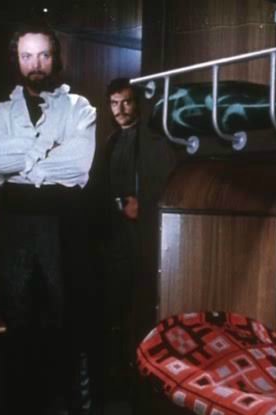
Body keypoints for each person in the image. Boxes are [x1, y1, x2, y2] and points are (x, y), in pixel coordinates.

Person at [0, 23, 106, 415]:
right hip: (16, 233)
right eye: (27, 56)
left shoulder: (80, 109)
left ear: (57, 59)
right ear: (17, 61)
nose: (36, 65)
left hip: (64, 230)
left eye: (44, 55)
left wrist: (24, 166)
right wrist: (45, 152)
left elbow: (77, 166)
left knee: (72, 333)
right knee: (18, 332)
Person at [102, 78, 177, 398]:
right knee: (115, 304)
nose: (120, 109)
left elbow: (164, 184)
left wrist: (141, 205)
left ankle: (141, 378)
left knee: (141, 302)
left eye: (126, 102)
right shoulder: (110, 141)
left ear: (137, 103)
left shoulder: (153, 141)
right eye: (114, 103)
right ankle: (119, 378)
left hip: (143, 234)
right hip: (114, 234)